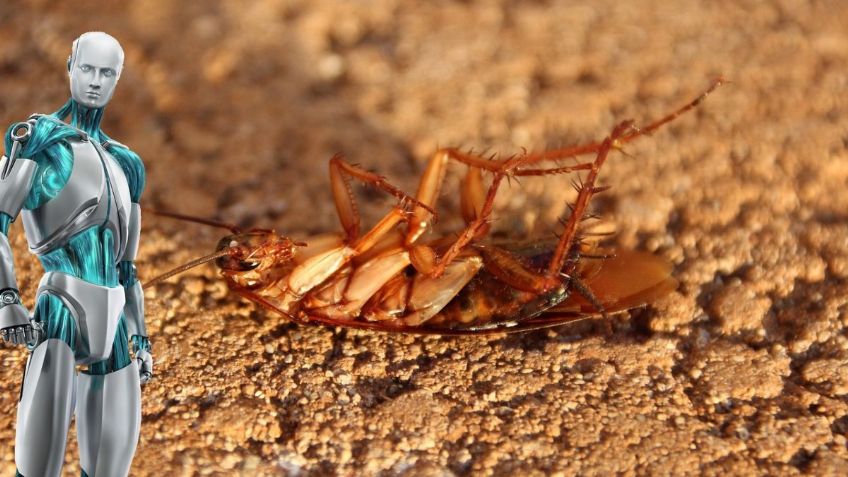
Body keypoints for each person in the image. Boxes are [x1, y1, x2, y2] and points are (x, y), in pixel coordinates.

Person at [0, 32, 151, 477]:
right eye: (87, 69)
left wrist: (140, 336)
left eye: (107, 73)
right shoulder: (41, 137)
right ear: (70, 66)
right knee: (40, 462)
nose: (94, 82)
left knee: (110, 465)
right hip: (61, 308)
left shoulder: (127, 163)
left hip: (114, 317)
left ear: (117, 79)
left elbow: (127, 266)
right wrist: (7, 301)